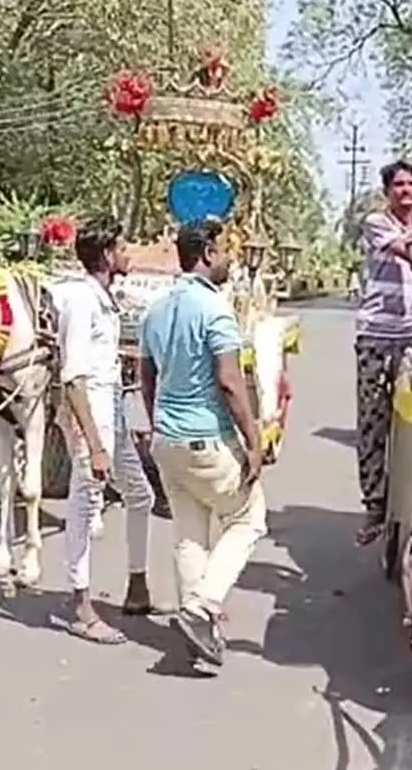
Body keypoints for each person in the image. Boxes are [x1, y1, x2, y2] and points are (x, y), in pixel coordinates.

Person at [140, 218, 265, 670]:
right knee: (248, 518)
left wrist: (158, 423)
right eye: (224, 250)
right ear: (207, 253)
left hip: (168, 440)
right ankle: (202, 607)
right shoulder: (215, 310)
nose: (228, 259)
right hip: (205, 438)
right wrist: (254, 440)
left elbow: (146, 375)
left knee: (190, 533)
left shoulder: (156, 309)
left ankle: (198, 627)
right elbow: (230, 382)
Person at [51, 219, 155, 644]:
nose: (129, 253)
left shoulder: (105, 299)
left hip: (112, 409)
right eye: (124, 247)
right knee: (85, 502)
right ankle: (80, 606)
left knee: (141, 495)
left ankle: (137, 585)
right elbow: (72, 376)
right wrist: (94, 445)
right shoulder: (80, 301)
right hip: (90, 414)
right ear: (107, 255)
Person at [354, 161, 412, 546]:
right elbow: (411, 254)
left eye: (410, 183)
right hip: (375, 334)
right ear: (388, 192)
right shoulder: (376, 223)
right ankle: (374, 504)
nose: (405, 190)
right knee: (373, 419)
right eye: (398, 185)